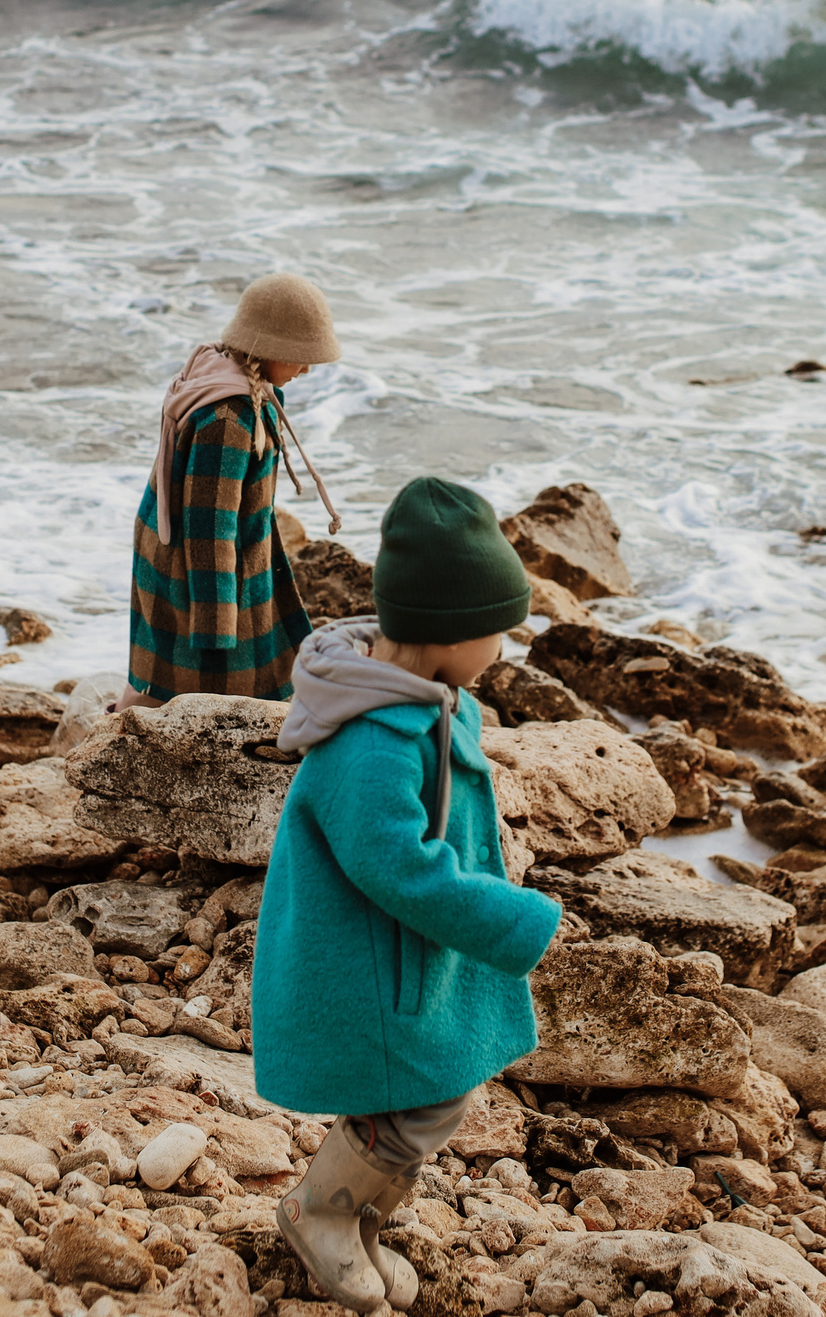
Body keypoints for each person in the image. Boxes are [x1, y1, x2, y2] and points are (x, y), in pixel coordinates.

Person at [254, 478, 563, 1313]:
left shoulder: (433, 701)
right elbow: (395, 865)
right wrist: (510, 916)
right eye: (496, 628)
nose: (503, 644)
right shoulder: (375, 739)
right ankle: (318, 1211)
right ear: (448, 633)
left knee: (432, 1090)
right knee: (418, 1098)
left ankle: (360, 1224)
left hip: (410, 951)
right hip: (369, 957)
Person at [121, 273, 343, 711]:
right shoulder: (229, 419)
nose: (306, 369)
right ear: (267, 349)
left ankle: (120, 727)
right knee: (199, 682)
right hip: (200, 568)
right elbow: (209, 525)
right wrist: (217, 620)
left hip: (182, 548)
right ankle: (116, 740)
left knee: (163, 672)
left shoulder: (234, 378)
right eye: (299, 356)